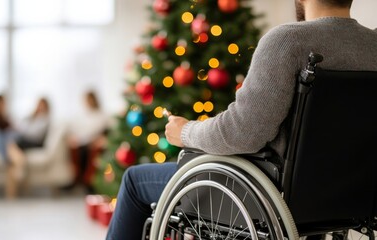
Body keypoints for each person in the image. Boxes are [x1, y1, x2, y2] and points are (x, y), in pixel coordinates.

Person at [106, 0, 377, 239]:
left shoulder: (288, 41)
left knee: (134, 181)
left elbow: (242, 133)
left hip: (268, 195)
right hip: (351, 194)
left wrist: (185, 131)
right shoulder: (373, 46)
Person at [64, 91, 110, 193]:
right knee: (77, 150)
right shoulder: (82, 115)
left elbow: (103, 131)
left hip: (94, 142)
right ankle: (76, 179)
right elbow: (77, 130)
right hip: (82, 142)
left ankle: (87, 182)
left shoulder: (102, 115)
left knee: (88, 152)